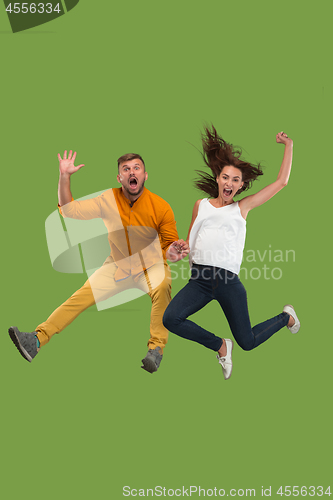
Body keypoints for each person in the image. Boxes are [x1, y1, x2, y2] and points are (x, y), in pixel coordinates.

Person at [9, 150, 189, 373]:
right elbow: (69, 210)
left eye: (136, 168)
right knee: (78, 298)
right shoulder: (108, 200)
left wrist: (172, 253)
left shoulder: (161, 207)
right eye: (126, 169)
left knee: (163, 286)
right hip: (117, 266)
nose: (132, 172)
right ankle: (36, 341)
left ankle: (156, 350)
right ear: (119, 178)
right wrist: (64, 176)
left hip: (150, 266)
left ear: (145, 175)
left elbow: (169, 247)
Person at [163, 126, 300, 380]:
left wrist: (288, 145)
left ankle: (285, 317)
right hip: (199, 281)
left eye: (235, 180)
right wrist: (176, 252)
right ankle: (220, 345)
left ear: (241, 186)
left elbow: (282, 182)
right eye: (226, 177)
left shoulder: (242, 208)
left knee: (247, 342)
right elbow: (188, 245)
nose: (230, 183)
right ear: (218, 179)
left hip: (228, 283)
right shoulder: (200, 205)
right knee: (171, 318)